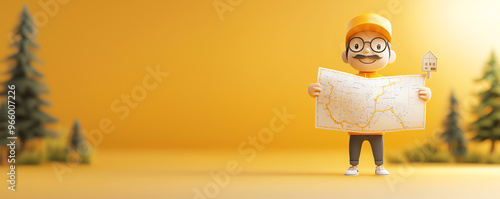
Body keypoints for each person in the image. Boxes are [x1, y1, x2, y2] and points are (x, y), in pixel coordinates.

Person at [307, 13, 432, 176]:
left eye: (377, 46)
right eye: (357, 45)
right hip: (354, 128)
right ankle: (353, 166)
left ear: (391, 55)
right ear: (345, 55)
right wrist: (314, 90)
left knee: (377, 145)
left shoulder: (390, 85)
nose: (366, 50)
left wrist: (424, 94)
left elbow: (405, 97)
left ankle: (379, 165)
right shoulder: (343, 83)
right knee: (354, 145)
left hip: (377, 128)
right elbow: (328, 93)